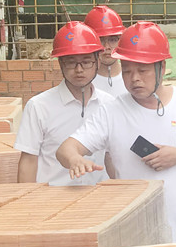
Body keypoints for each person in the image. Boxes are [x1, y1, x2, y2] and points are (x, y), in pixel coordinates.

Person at [57, 21, 176, 244]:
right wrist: (75, 159)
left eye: (142, 70)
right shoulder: (112, 111)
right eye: (127, 70)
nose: (134, 78)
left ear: (162, 67)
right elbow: (66, 149)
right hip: (136, 234)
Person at [15, 21, 110, 186]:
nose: (79, 69)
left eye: (86, 61)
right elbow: (29, 161)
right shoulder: (39, 107)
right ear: (60, 63)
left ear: (98, 62)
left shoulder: (109, 104)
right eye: (71, 62)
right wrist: (27, 198)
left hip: (100, 196)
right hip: (53, 196)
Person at [84, 5, 125, 96]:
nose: (107, 47)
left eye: (113, 40)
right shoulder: (82, 83)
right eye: (101, 40)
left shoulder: (133, 80)